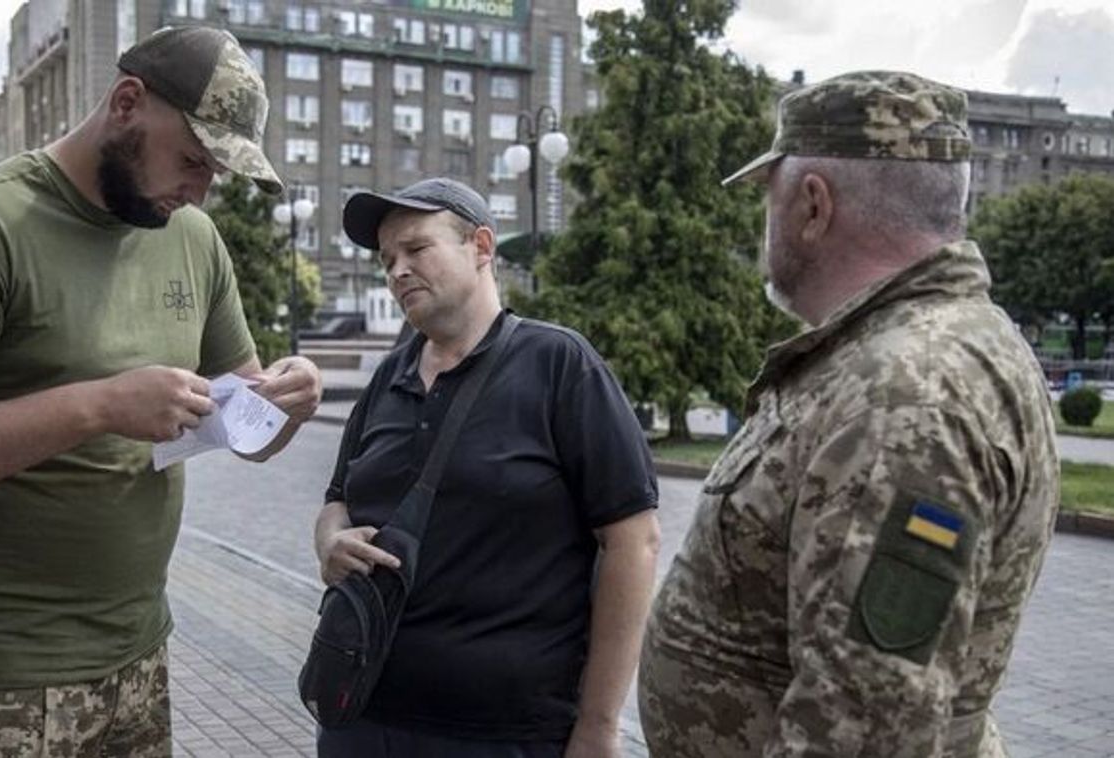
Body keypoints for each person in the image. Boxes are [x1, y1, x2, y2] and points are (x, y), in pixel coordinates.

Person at [0, 26, 321, 757]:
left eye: (217, 171)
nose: (200, 190)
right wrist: (98, 406)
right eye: (194, 160)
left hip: (139, 662)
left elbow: (246, 426)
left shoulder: (191, 236)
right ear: (126, 103)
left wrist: (290, 403)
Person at [638, 71, 1060, 757]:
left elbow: (866, 726)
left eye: (768, 197)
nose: (765, 222)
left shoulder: (907, 394)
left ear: (812, 205)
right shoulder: (902, 353)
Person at [316, 178, 661, 757]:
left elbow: (634, 541)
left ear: (480, 247)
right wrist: (329, 540)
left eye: (416, 248)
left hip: (507, 733)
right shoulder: (388, 377)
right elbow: (337, 499)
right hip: (360, 714)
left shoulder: (559, 364)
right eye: (387, 259)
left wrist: (599, 726)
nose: (398, 271)